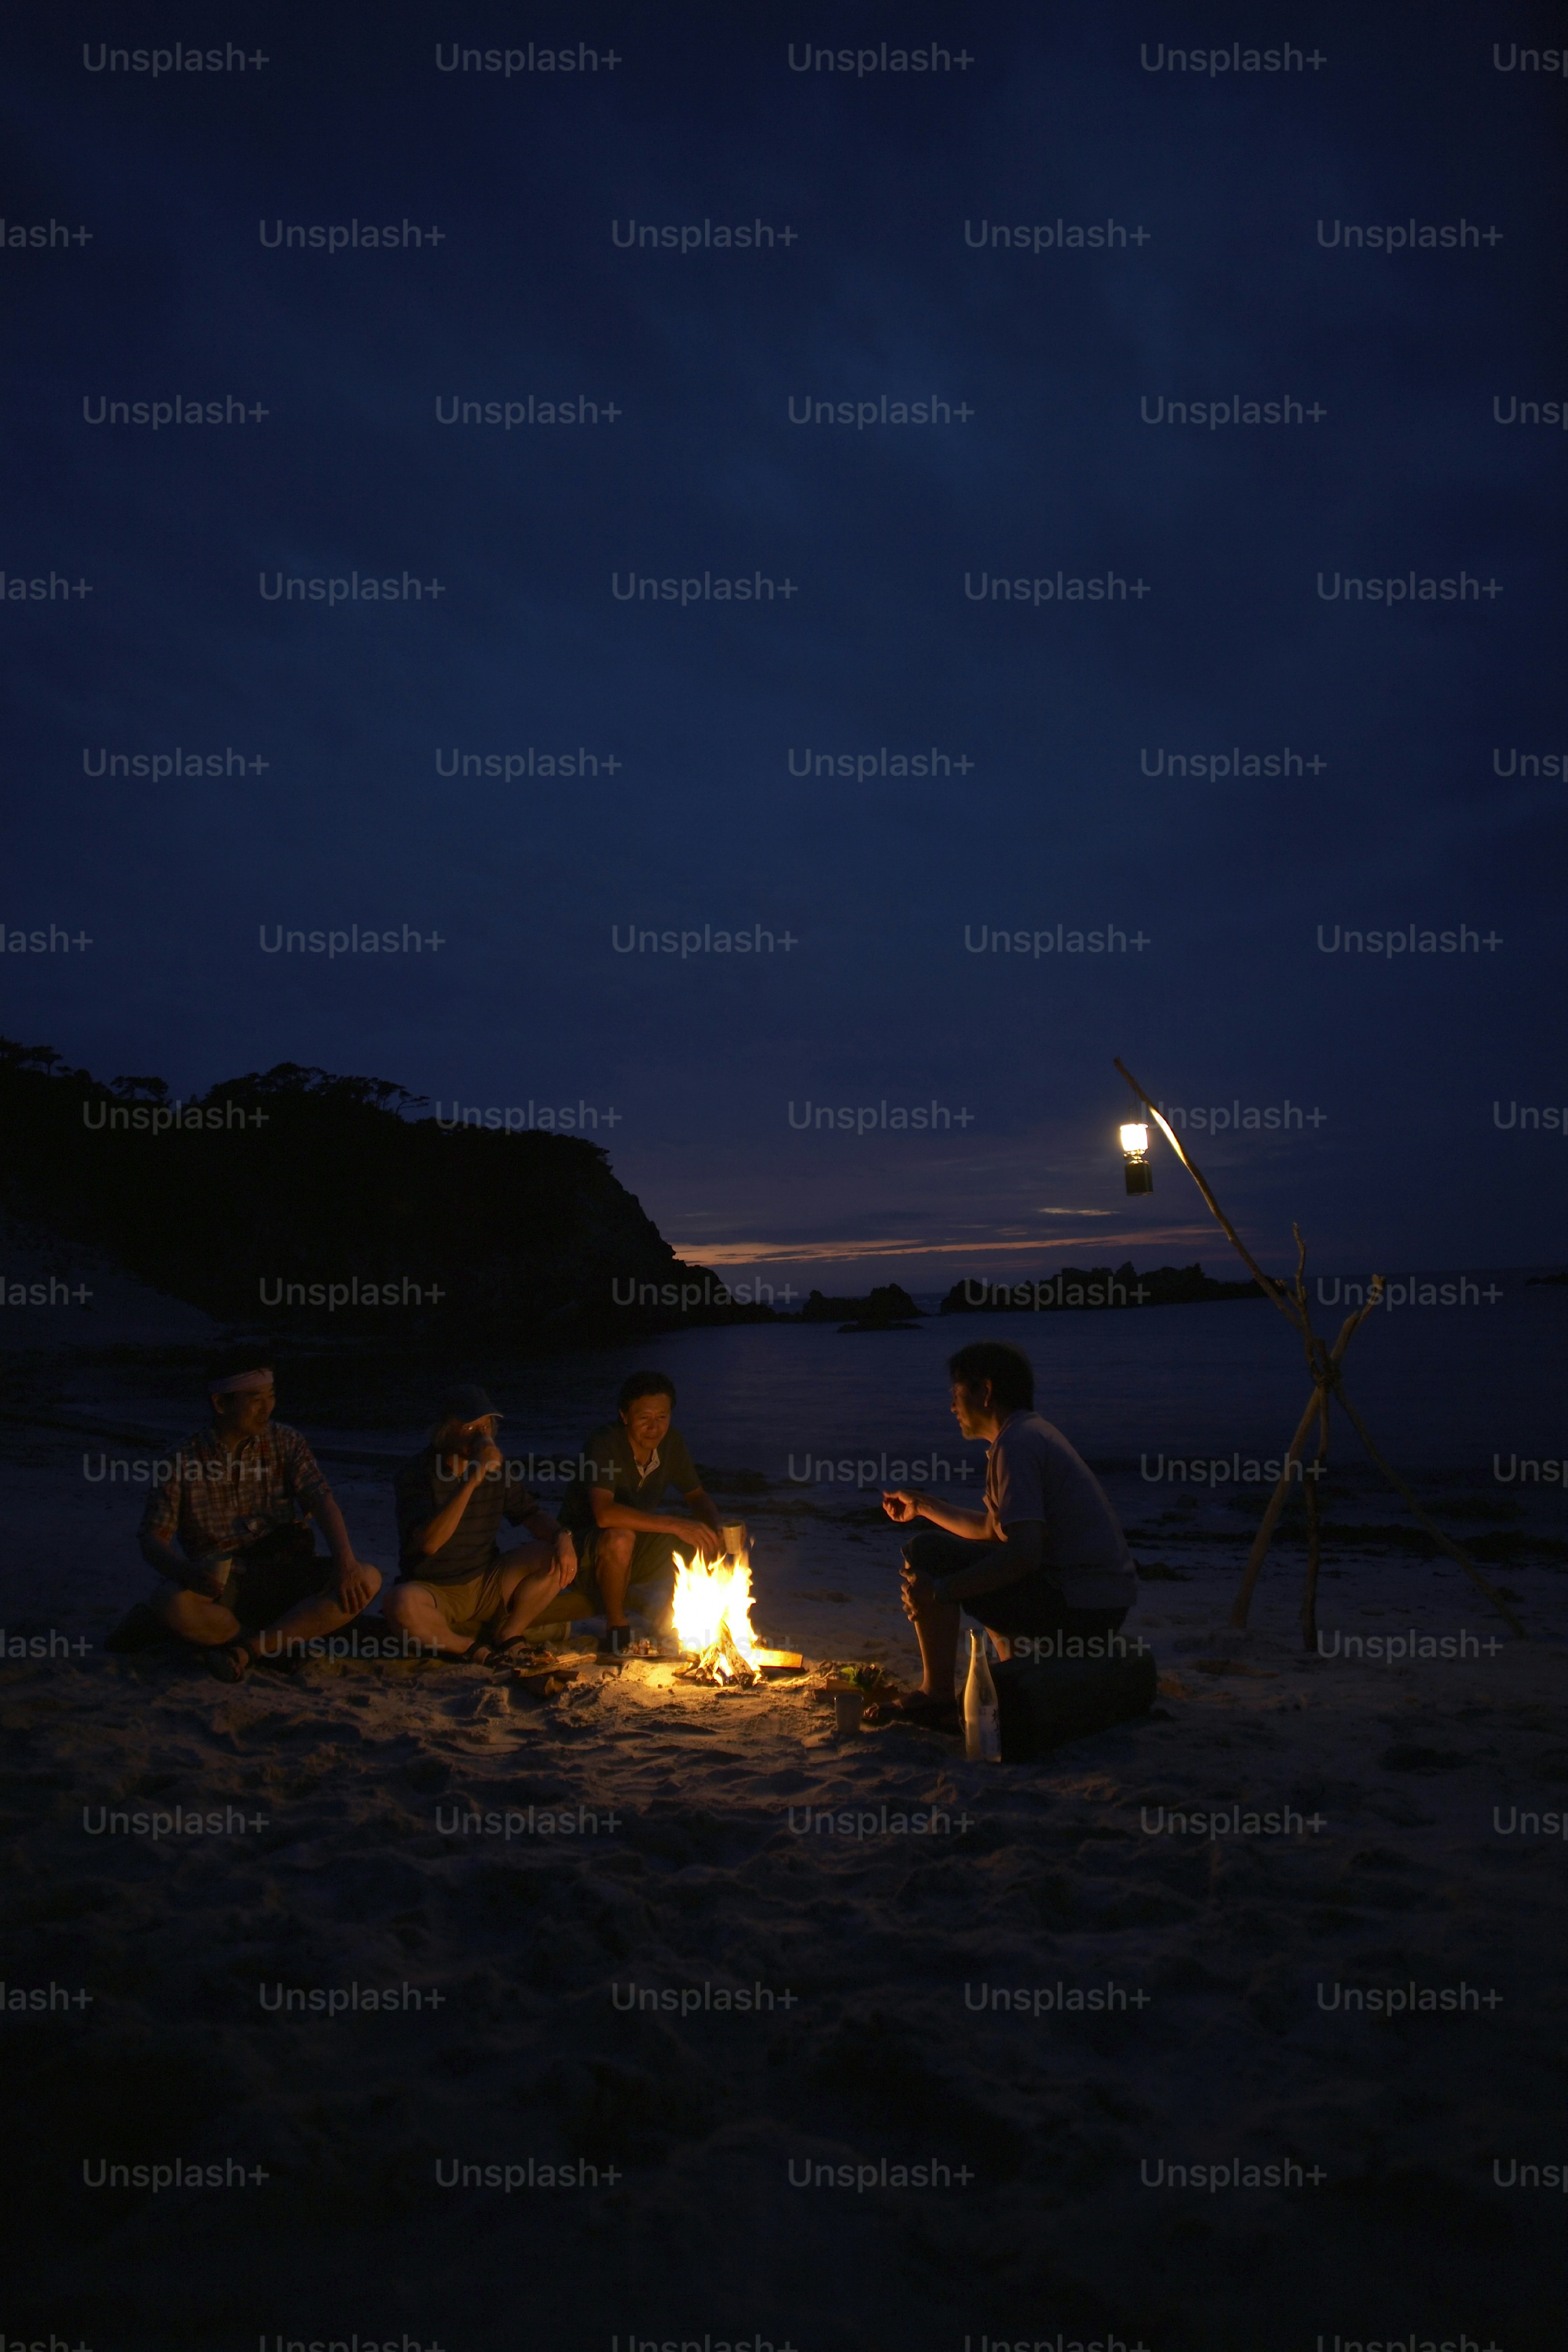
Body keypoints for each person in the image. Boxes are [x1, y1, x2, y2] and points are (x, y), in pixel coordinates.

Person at [880, 1339, 1136, 1731]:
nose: (952, 1406)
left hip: (1080, 1608)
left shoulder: (1016, 1444)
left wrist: (942, 1590)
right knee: (965, 1554)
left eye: (956, 1393)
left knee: (927, 1552)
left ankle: (936, 1694)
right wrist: (923, 1505)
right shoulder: (1027, 1435)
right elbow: (991, 1530)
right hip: (1099, 1604)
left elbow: (1022, 1556)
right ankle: (1012, 1670)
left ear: (985, 1391)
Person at [123, 1360, 381, 1681]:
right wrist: (185, 1572)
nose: (267, 1408)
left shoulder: (285, 1441)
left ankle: (250, 1648)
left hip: (284, 1568)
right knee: (169, 1602)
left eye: (270, 1396)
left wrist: (346, 1562)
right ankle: (276, 1640)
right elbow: (152, 1537)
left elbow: (322, 1499)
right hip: (224, 1580)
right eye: (255, 1399)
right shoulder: (181, 1460)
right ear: (220, 1403)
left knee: (366, 1577)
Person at [384, 1385, 577, 1660]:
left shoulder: (498, 1471)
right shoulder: (416, 1474)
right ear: (444, 1430)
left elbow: (530, 1515)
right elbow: (430, 1544)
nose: (481, 1437)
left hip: (485, 1580)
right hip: (433, 1588)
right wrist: (472, 1479)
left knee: (554, 1557)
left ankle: (510, 1634)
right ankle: (469, 1648)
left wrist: (563, 1537)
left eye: (486, 1427)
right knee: (399, 1605)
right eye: (470, 1428)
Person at [557, 1370, 722, 1654]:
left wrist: (718, 1531)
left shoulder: (672, 1444)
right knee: (622, 1536)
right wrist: (675, 1524)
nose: (655, 1428)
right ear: (625, 1416)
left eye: (663, 1417)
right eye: (645, 1418)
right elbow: (604, 1515)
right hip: (580, 1555)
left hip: (634, 1552)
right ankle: (617, 1625)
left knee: (701, 1537)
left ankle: (698, 1618)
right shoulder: (605, 1444)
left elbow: (697, 1497)